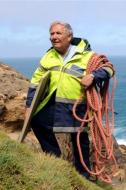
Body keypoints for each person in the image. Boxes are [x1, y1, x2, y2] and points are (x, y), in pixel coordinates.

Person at [25, 21, 114, 178]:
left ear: (69, 36)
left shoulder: (87, 56)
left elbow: (109, 69)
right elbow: (35, 83)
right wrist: (29, 106)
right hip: (52, 104)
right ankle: (56, 162)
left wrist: (93, 76)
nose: (54, 37)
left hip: (76, 107)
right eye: (51, 34)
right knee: (37, 122)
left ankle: (84, 175)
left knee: (79, 140)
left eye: (58, 33)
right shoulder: (48, 56)